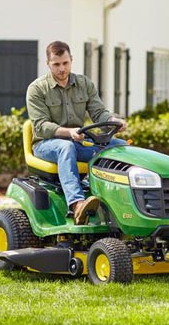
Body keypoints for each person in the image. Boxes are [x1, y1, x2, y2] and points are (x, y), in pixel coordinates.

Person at [26, 41, 128, 225]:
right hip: (47, 144)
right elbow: (40, 126)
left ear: (71, 60)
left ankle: (121, 201)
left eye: (65, 63)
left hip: (79, 140)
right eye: (56, 64)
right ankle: (77, 204)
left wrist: (113, 121)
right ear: (48, 63)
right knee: (66, 147)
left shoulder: (84, 84)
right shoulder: (36, 89)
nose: (62, 69)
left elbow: (99, 113)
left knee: (120, 148)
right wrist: (68, 132)